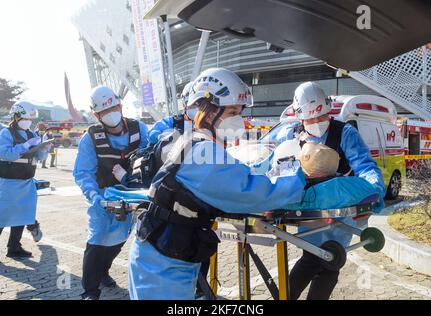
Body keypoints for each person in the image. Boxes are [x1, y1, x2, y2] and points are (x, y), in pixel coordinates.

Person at [128, 68, 307, 300]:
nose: (238, 118)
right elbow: (251, 192)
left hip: (163, 255)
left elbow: (233, 180)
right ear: (208, 110)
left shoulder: (198, 143)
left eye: (239, 111)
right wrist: (298, 178)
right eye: (232, 111)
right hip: (161, 265)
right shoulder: (203, 151)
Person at [281, 81, 386, 300]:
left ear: (329, 111)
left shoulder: (345, 133)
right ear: (300, 117)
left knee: (330, 260)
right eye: (311, 119)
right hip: (311, 206)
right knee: (311, 256)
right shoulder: (295, 136)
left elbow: (365, 166)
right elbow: (278, 163)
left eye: (322, 117)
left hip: (340, 205)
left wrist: (373, 191)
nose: (318, 123)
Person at [73, 86, 149, 300]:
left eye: (114, 107)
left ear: (121, 105)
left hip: (131, 194)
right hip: (103, 195)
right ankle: (90, 291)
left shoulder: (139, 129)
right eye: (104, 112)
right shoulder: (91, 138)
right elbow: (83, 172)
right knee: (98, 240)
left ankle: (104, 270)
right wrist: (94, 196)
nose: (111, 114)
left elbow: (150, 157)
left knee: (119, 238)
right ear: (96, 115)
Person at [0, 101, 48, 258]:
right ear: (16, 116)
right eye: (25, 118)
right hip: (8, 182)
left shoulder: (32, 134)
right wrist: (25, 146)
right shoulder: (6, 134)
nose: (28, 122)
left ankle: (14, 247)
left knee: (22, 214)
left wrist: (44, 148)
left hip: (27, 181)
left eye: (30, 119)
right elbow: (7, 154)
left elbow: (39, 158)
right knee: (2, 216)